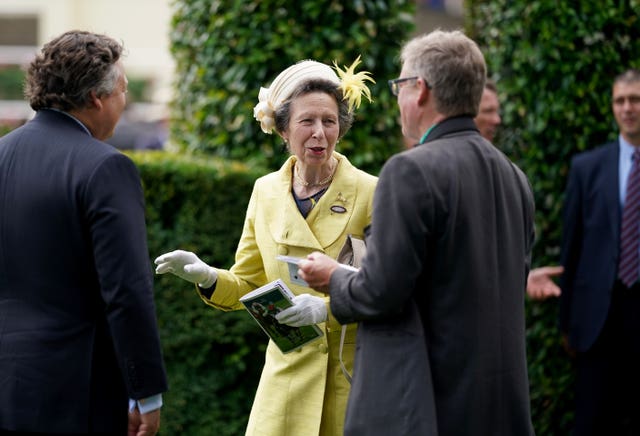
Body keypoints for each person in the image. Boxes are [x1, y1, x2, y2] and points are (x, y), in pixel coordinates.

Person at [297, 29, 536, 436]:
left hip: (427, 405)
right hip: (498, 408)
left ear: (420, 89)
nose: (397, 98)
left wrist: (333, 277)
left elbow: (380, 294)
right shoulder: (514, 176)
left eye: (399, 85)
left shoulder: (410, 170)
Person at [154, 58, 377, 436]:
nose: (319, 133)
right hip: (285, 384)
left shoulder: (372, 191)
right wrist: (207, 276)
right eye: (307, 121)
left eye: (329, 121)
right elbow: (246, 284)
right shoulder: (265, 191)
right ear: (283, 129)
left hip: (348, 382)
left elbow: (384, 289)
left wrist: (325, 309)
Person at [0, 30, 168, 435]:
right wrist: (146, 391)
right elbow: (126, 290)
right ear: (97, 98)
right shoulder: (106, 167)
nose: (123, 103)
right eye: (122, 91)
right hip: (76, 392)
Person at [560, 68, 640, 435]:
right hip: (597, 322)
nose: (627, 108)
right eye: (620, 100)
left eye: (635, 99)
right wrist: (566, 323)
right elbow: (571, 248)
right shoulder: (586, 168)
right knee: (592, 422)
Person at [475, 79, 563, 299]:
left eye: (497, 111)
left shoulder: (507, 175)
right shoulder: (422, 172)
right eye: (488, 111)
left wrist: (523, 278)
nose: (497, 120)